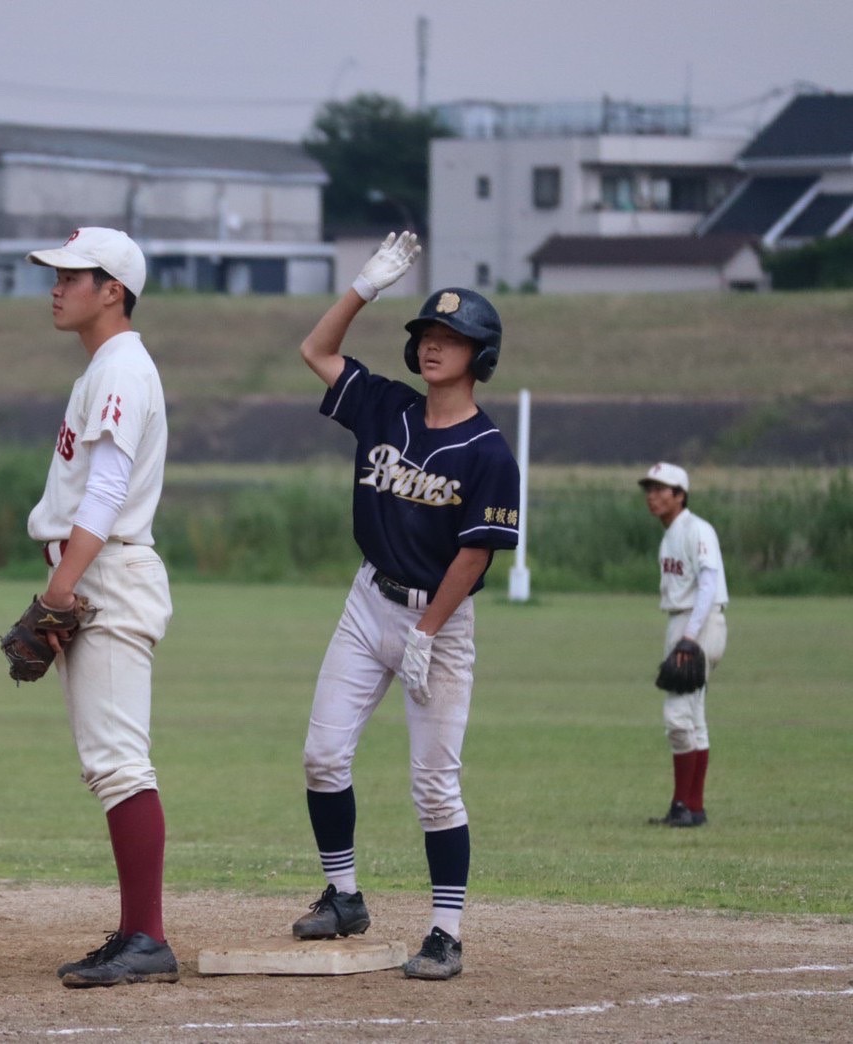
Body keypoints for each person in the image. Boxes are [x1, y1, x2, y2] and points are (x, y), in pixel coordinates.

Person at [290, 232, 520, 982]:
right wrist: (364, 288)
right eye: (425, 334)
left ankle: (446, 933)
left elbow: (475, 553)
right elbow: (317, 352)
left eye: (451, 338)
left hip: (440, 622)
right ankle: (345, 895)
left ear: (479, 357)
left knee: (433, 783)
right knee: (323, 756)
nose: (431, 346)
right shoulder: (387, 408)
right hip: (368, 601)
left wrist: (426, 631)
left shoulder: (489, 451)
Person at [20, 227, 176, 989]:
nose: (55, 286)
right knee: (108, 765)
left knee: (119, 764)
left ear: (111, 288)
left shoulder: (120, 366)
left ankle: (147, 937)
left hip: (105, 575)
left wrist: (60, 588)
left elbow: (107, 490)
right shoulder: (112, 365)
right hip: (100, 572)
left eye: (70, 275)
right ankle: (135, 932)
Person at [639, 462, 728, 828]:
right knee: (693, 717)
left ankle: (683, 805)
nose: (653, 495)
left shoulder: (696, 529)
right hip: (686, 621)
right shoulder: (671, 532)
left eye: (662, 489)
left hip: (698, 622)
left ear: (680, 495)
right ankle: (692, 807)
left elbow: (709, 582)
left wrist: (689, 637)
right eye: (650, 488)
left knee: (678, 717)